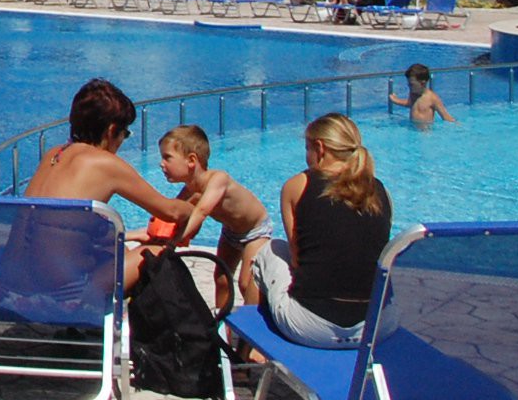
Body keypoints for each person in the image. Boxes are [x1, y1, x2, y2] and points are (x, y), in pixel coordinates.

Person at [25, 79, 197, 293]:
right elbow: (171, 211)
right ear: (111, 130)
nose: (122, 140)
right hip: (61, 292)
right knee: (156, 252)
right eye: (125, 133)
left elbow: (57, 229)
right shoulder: (105, 163)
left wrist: (131, 235)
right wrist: (195, 206)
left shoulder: (53, 154)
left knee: (117, 250)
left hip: (17, 283)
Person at [249, 114, 393, 348]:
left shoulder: (298, 185)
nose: (307, 157)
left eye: (307, 149)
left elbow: (297, 259)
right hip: (377, 327)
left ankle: (251, 350)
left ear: (320, 148)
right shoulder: (381, 191)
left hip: (312, 328)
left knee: (270, 250)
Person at [154, 124, 272, 312]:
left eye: (167, 157)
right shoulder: (190, 189)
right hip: (230, 233)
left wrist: (174, 242)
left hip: (255, 231)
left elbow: (202, 212)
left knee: (246, 283)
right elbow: (174, 214)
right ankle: (222, 321)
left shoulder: (218, 179)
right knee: (222, 279)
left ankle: (256, 323)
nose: (161, 164)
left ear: (191, 160)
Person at [389, 62, 457, 126]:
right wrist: (395, 100)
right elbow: (409, 104)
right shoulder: (413, 93)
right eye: (408, 83)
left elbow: (445, 116)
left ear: (423, 83)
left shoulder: (432, 98)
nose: (408, 86)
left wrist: (457, 126)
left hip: (425, 132)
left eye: (411, 84)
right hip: (411, 128)